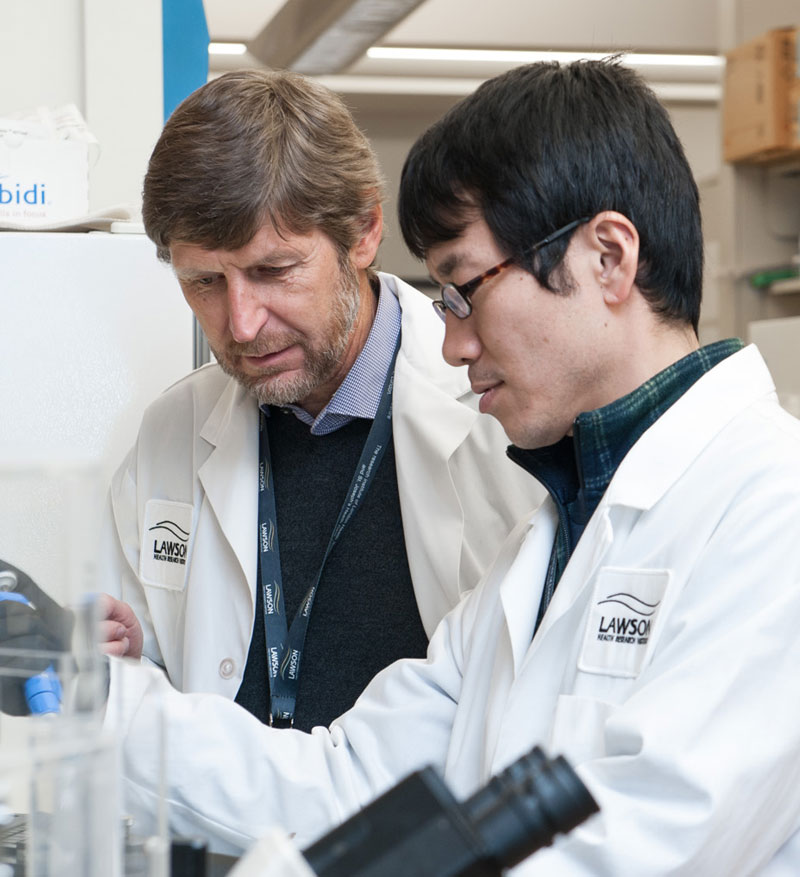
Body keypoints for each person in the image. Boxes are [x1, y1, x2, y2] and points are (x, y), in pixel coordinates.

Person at [82, 58, 800, 872]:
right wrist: (89, 691)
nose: (453, 343)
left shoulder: (773, 511)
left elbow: (631, 850)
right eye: (205, 282)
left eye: (463, 291)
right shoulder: (548, 543)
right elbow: (349, 784)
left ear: (608, 257)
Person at [96, 69, 540, 732]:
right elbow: (144, 695)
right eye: (205, 282)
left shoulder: (504, 422)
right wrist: (120, 660)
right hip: (228, 837)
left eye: (273, 271)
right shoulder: (172, 434)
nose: (241, 323)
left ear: (363, 230)